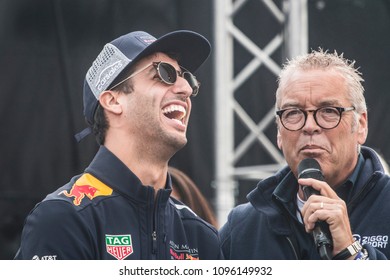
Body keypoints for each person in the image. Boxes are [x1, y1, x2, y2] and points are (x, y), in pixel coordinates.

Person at [14, 30, 223, 260]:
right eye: (164, 74)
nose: (186, 89)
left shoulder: (199, 235)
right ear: (113, 101)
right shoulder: (64, 218)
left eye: (187, 78)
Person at [219, 49, 390, 260]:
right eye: (293, 113)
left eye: (328, 111)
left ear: (361, 125)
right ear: (279, 133)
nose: (309, 126)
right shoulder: (244, 227)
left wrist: (351, 253)